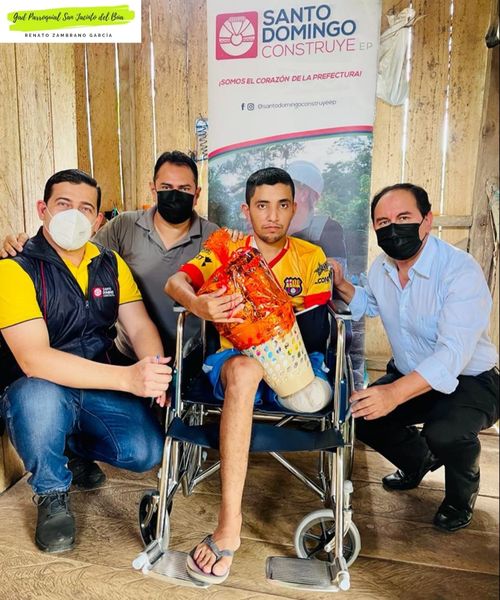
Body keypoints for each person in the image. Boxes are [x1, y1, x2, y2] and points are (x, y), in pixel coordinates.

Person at [165, 167, 333, 584]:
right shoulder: (226, 249)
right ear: (246, 210)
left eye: (282, 205)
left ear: (294, 208)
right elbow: (176, 282)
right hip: (234, 362)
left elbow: (316, 327)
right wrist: (198, 304)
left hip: (295, 364)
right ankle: (229, 526)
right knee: (244, 369)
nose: (272, 215)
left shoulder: (310, 258)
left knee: (310, 391)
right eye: (262, 205)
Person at [0, 169, 172, 553]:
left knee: (146, 450)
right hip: (39, 386)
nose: (73, 215)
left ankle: (70, 449)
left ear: (98, 220)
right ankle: (51, 491)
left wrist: (154, 367)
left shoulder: (110, 263)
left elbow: (139, 324)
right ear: (43, 209)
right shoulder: (14, 268)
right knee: (37, 400)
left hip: (95, 384)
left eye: (85, 208)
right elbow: (34, 359)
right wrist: (128, 379)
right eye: (63, 204)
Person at [331, 182, 499, 532]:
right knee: (361, 414)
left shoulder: (458, 270)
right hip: (410, 372)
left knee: (445, 433)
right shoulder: (382, 268)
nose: (393, 228)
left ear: (427, 221)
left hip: (471, 380)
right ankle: (418, 461)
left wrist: (393, 393)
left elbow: (453, 354)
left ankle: (461, 494)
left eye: (404, 217)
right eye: (383, 222)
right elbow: (372, 304)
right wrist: (343, 285)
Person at [0, 151, 219, 360]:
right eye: (166, 187)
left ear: (196, 194)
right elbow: (74, 249)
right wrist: (27, 246)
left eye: (184, 188)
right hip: (129, 354)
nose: (175, 194)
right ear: (153, 190)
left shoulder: (213, 237)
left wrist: (154, 370)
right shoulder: (123, 226)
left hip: (190, 351)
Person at [287, 159, 365, 388]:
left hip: (314, 317)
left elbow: (335, 275)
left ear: (303, 193)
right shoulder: (276, 227)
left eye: (289, 186)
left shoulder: (327, 228)